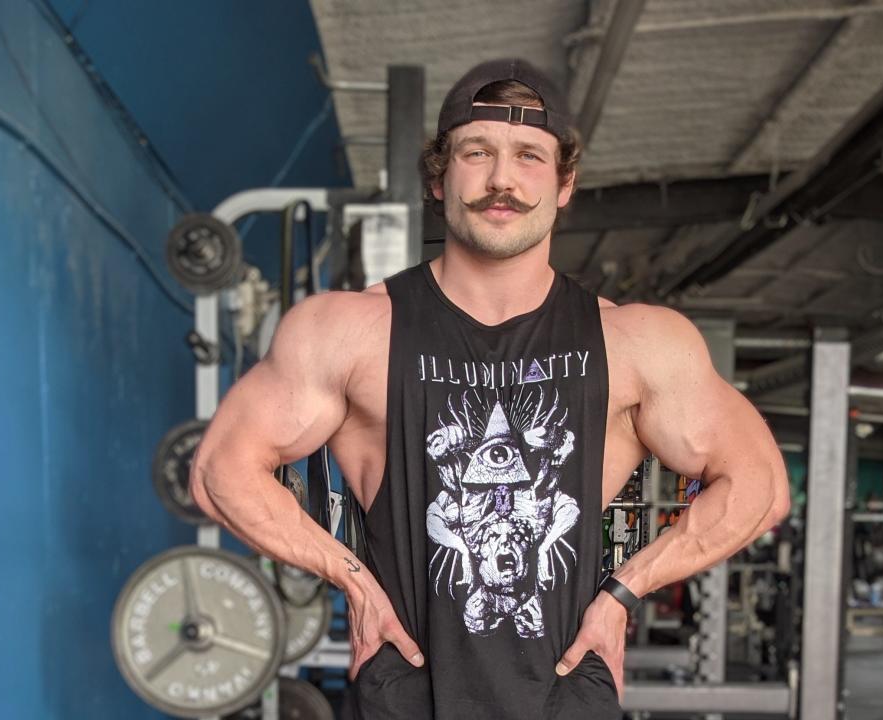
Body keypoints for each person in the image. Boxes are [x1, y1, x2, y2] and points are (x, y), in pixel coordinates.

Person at [190, 58, 790, 719]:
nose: (502, 179)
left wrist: (625, 592)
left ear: (565, 185)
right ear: (438, 175)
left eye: (530, 156)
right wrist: (352, 582)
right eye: (477, 152)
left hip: (563, 696)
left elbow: (758, 487)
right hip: (406, 697)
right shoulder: (348, 331)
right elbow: (221, 472)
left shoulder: (637, 344)